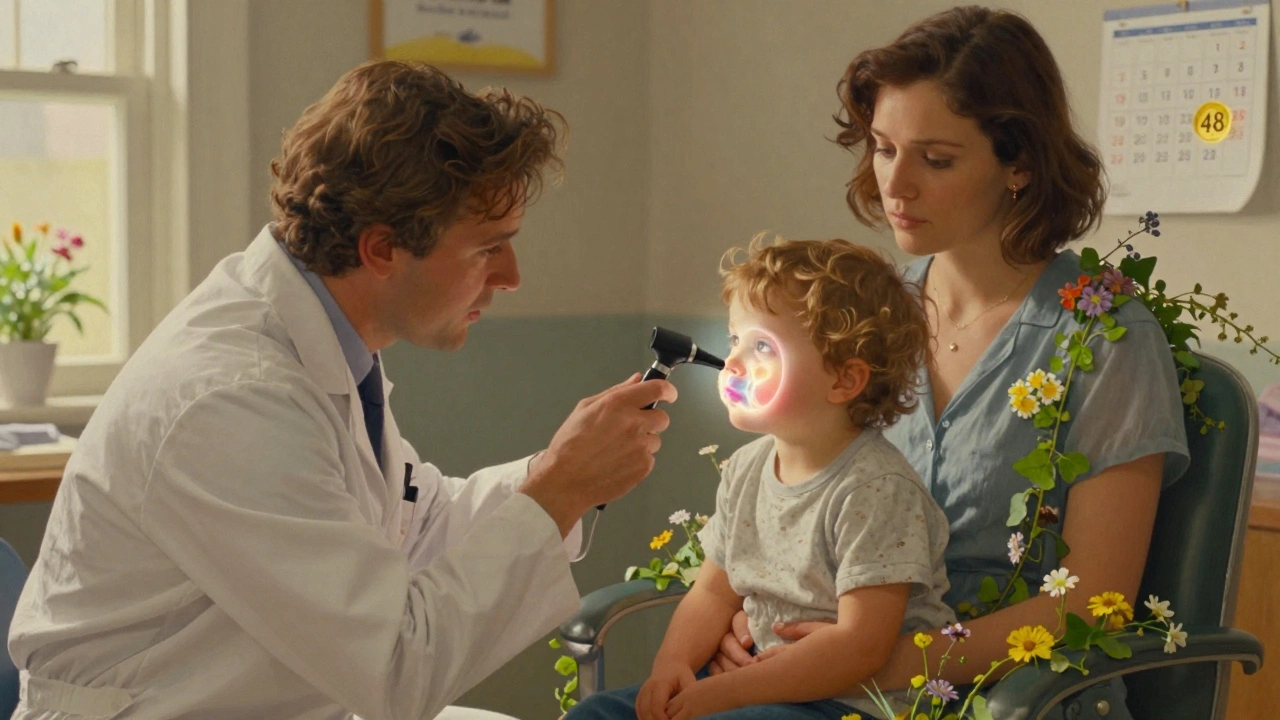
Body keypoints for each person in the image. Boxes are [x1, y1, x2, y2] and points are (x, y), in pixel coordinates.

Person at [6, 60, 677, 720]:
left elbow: (413, 527)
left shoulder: (321, 347)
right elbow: (393, 668)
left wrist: (560, 473)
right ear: (382, 249)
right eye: (486, 249)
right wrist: (558, 487)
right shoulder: (230, 400)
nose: (511, 277)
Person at [706, 6, 1189, 716]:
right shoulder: (861, 322)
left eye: (936, 160)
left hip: (1007, 698)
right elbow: (788, 509)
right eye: (882, 148)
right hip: (815, 688)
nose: (895, 185)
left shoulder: (1107, 341)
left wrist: (891, 660)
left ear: (1019, 165)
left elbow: (1097, 602)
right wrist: (747, 630)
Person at [568, 237, 955, 720]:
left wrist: (728, 694)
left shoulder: (875, 489)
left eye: (762, 347)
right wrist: (671, 666)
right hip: (752, 687)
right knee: (598, 714)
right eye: (735, 340)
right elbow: (713, 591)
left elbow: (862, 648)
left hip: (845, 702)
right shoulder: (747, 469)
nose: (732, 363)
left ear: (843, 381)